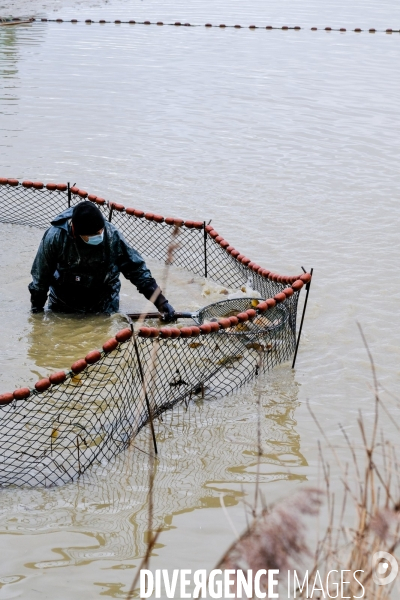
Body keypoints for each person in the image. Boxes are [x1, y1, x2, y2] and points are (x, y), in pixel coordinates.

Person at [28, 201, 175, 319]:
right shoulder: (55, 238)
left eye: (101, 231)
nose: (100, 235)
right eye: (95, 234)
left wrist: (161, 303)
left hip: (104, 299)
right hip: (64, 299)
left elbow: (137, 270)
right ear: (76, 233)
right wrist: (37, 313)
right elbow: (41, 278)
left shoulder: (111, 235)